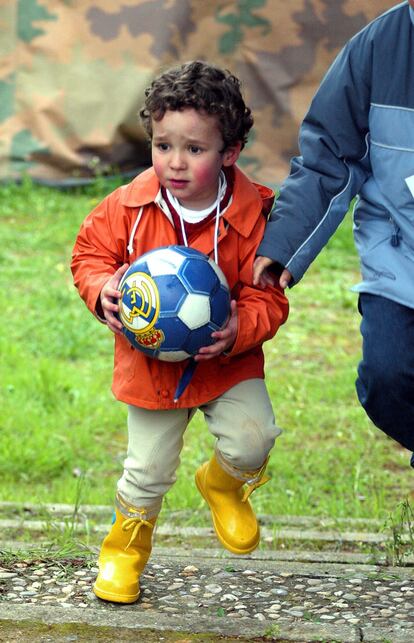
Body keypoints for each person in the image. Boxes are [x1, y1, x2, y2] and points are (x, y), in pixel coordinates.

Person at [71, 60, 288, 604]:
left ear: (230, 153)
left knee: (253, 440)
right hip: (150, 367)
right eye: (163, 145)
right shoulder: (128, 207)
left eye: (194, 150)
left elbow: (270, 295)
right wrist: (103, 290)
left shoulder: (255, 215)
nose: (174, 161)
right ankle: (124, 550)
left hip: (226, 360)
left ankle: (222, 484)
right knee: (146, 470)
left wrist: (241, 326)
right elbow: (88, 254)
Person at [253, 1, 414, 466]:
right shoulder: (375, 49)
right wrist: (285, 243)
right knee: (387, 381)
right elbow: (329, 158)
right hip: (402, 257)